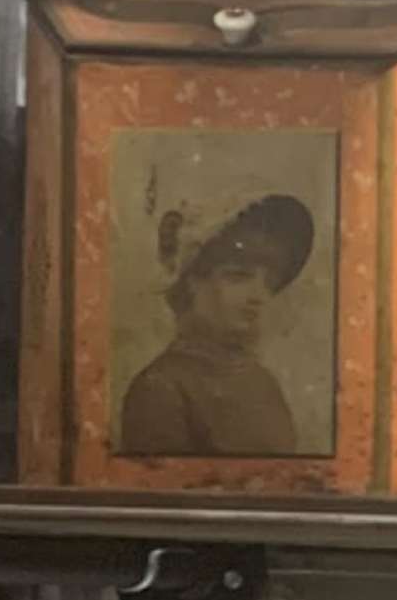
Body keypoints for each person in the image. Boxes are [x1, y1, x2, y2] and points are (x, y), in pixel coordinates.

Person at [121, 188, 315, 458]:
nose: (257, 297)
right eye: (238, 277)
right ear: (191, 284)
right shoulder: (161, 388)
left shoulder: (262, 382)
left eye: (267, 283)